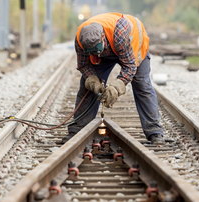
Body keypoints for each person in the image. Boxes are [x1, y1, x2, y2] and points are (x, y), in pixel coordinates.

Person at [64, 12, 172, 144]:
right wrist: (93, 81)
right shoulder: (81, 39)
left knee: (141, 84)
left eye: (98, 48)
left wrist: (117, 86)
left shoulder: (120, 34)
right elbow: (83, 65)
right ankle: (77, 130)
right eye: (92, 51)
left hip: (132, 46)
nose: (98, 53)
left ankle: (155, 132)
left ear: (102, 37)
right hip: (110, 46)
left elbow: (130, 66)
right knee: (86, 88)